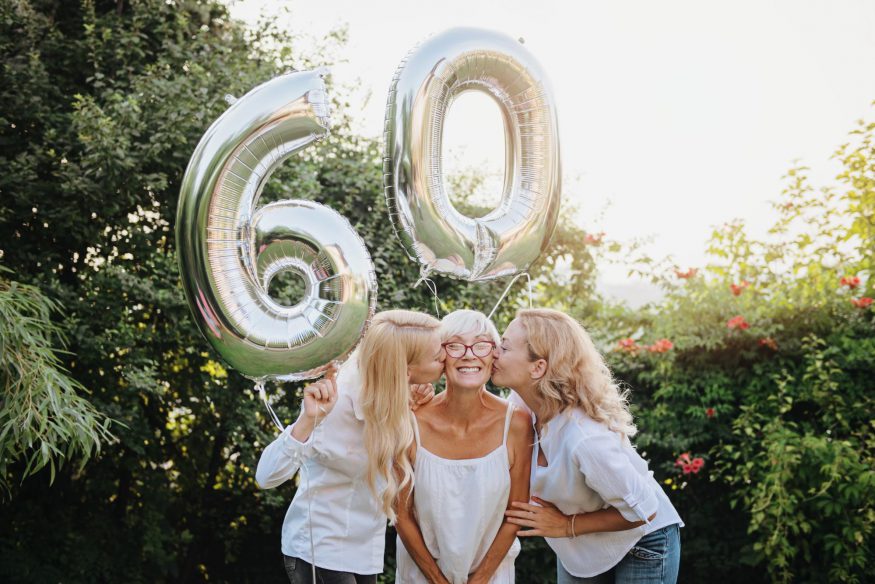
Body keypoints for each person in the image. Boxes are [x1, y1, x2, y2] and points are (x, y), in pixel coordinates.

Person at [493, 308, 683, 584]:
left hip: (641, 542)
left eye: (505, 347)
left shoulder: (585, 438)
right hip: (581, 549)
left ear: (538, 367)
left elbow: (644, 508)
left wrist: (565, 525)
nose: (494, 353)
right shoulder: (520, 408)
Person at [255, 310, 445, 584]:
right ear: (405, 368)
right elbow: (266, 476)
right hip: (318, 548)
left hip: (365, 551)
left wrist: (409, 406)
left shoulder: (394, 397)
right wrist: (308, 420)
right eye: (438, 356)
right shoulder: (335, 401)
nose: (446, 358)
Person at [395, 309, 533, 584]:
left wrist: (480, 579)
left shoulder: (516, 422)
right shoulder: (409, 421)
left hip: (492, 577)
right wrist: (437, 580)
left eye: (481, 345)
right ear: (440, 356)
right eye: (455, 345)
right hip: (421, 577)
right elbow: (401, 514)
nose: (469, 354)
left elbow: (515, 514)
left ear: (494, 355)